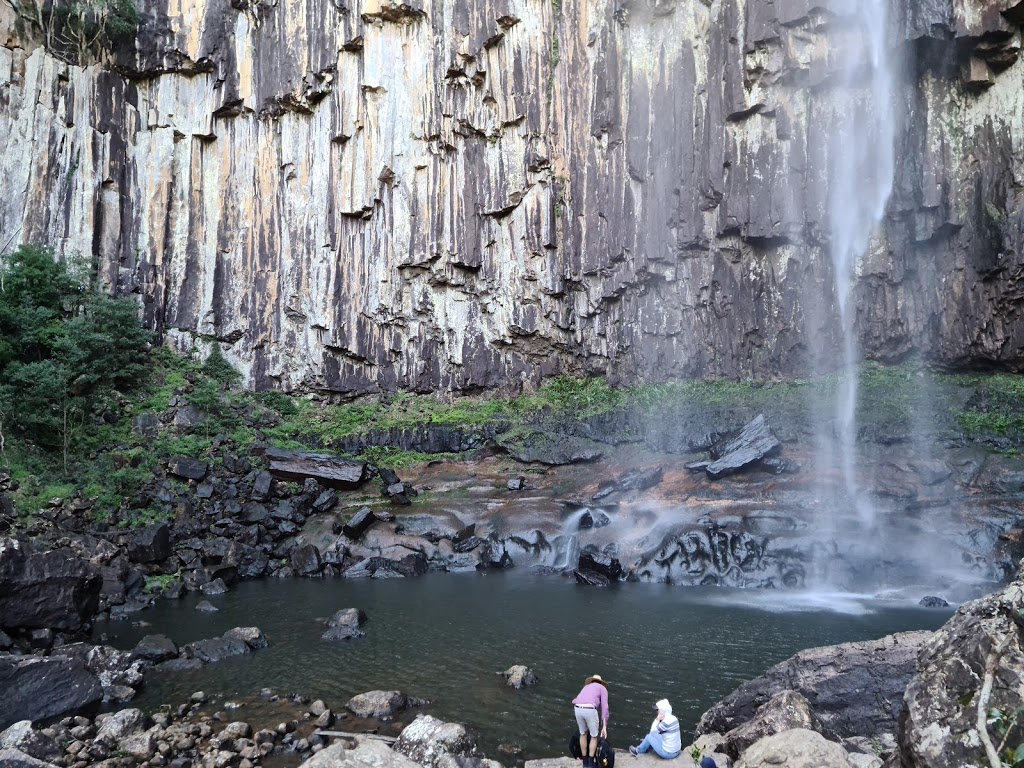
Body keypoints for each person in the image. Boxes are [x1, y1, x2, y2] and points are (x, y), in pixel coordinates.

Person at [572, 674, 609, 768]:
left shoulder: (586, 687)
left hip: (577, 708)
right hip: (590, 709)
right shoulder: (602, 688)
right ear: (601, 682)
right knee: (594, 736)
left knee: (583, 733)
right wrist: (604, 726)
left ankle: (584, 762)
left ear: (591, 681)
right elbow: (605, 707)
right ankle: (591, 763)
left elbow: (576, 699)